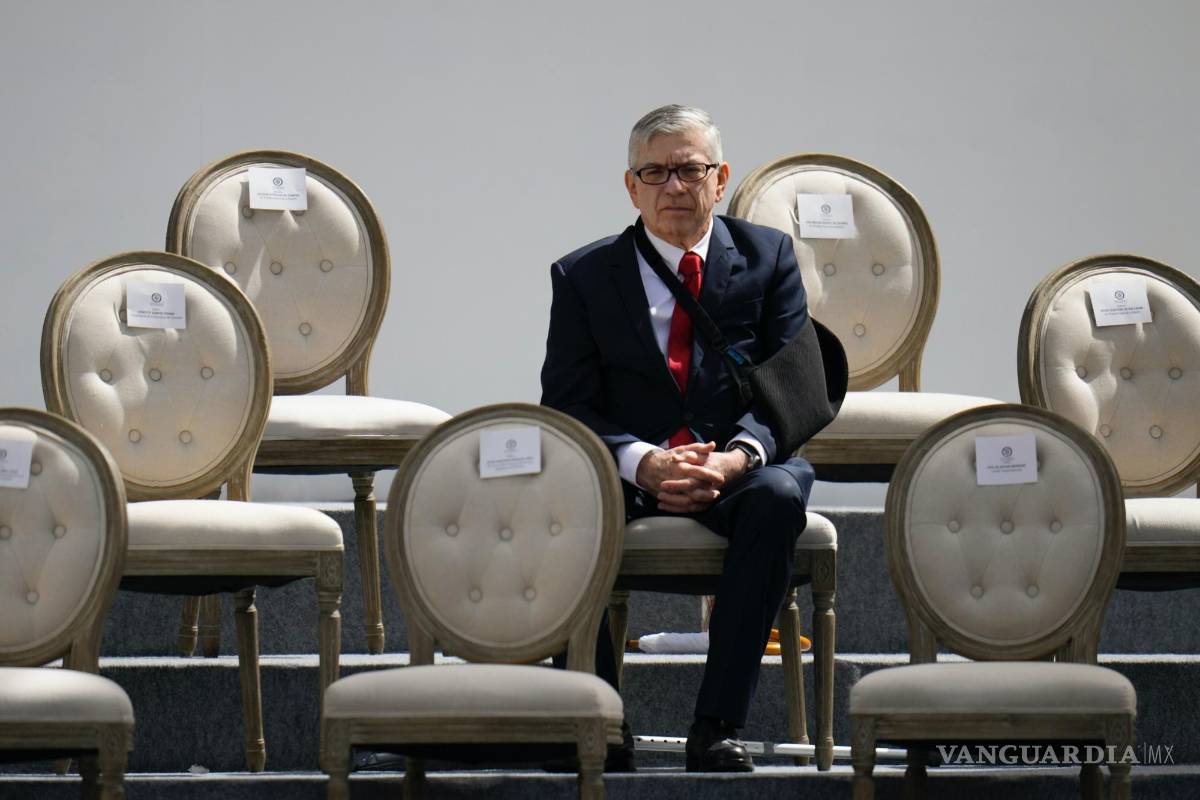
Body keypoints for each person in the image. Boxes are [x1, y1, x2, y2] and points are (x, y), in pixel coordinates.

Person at [540, 104, 817, 773]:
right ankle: (599, 722)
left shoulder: (769, 258)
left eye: (690, 170)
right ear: (630, 187)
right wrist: (644, 462)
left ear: (719, 179)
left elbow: (794, 388)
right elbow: (566, 404)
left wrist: (734, 459)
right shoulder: (582, 275)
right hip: (633, 470)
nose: (673, 186)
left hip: (737, 465)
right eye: (654, 172)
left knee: (780, 496)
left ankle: (716, 727)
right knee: (561, 493)